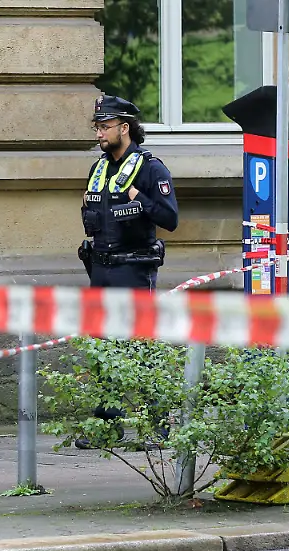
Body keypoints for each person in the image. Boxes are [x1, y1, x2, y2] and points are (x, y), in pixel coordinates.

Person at [75, 95, 179, 450]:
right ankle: (108, 426)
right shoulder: (99, 168)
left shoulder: (151, 169)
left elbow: (170, 218)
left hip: (133, 270)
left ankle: (158, 427)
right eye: (97, 127)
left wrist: (139, 197)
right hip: (101, 269)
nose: (99, 133)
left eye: (104, 127)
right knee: (104, 350)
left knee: (141, 347)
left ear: (125, 128)